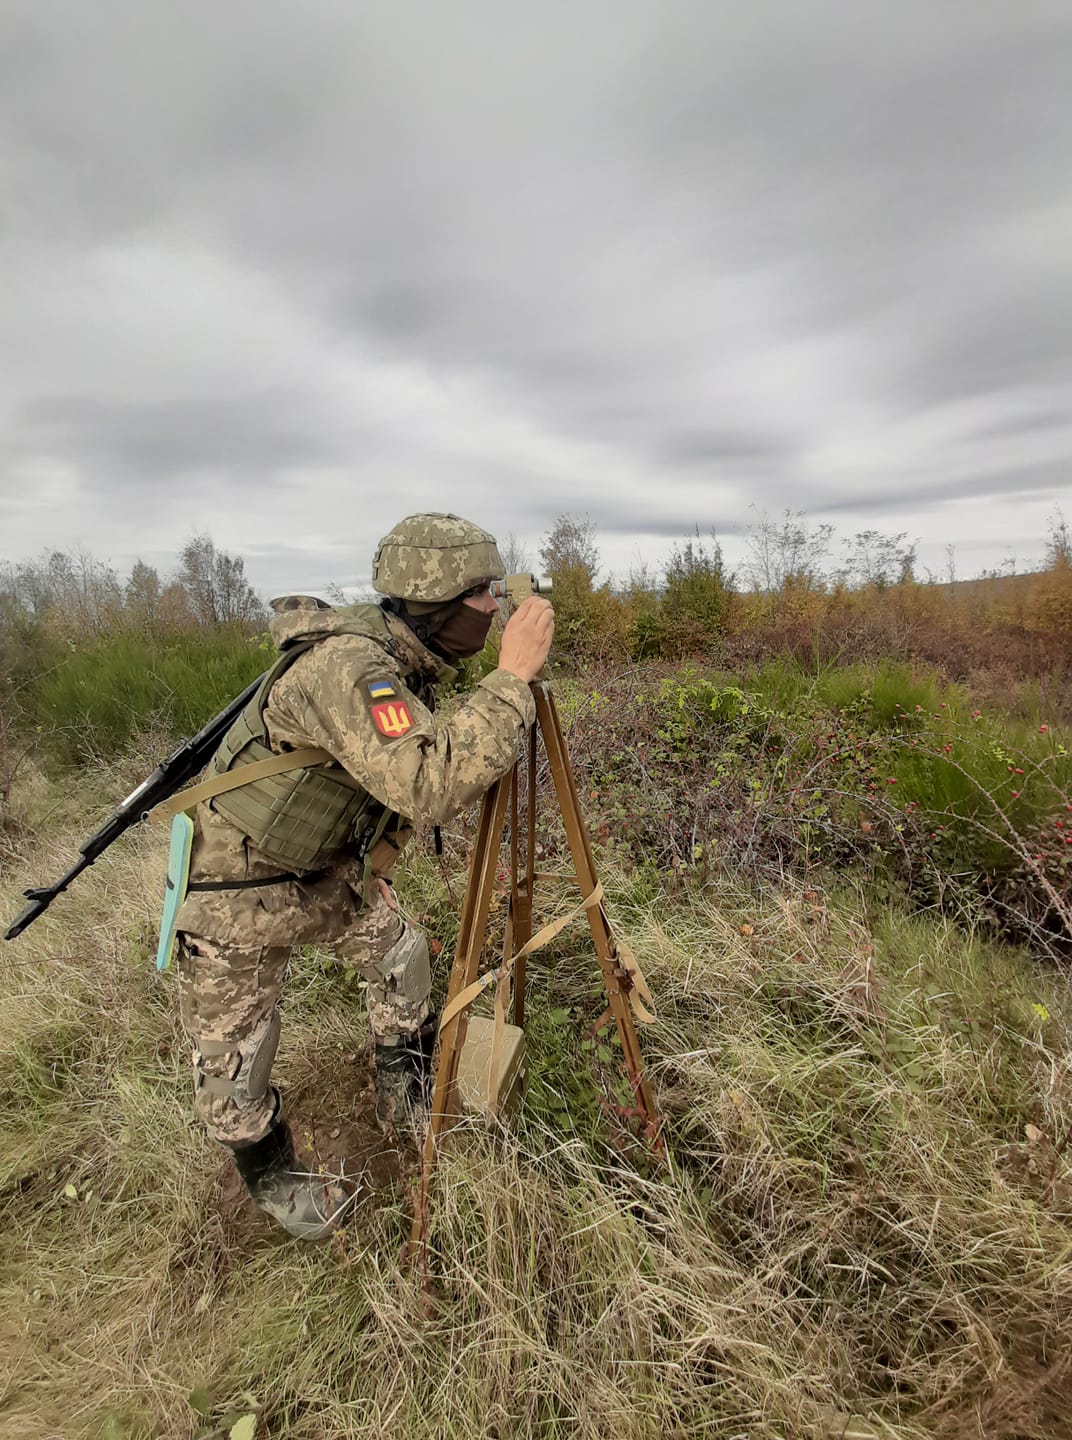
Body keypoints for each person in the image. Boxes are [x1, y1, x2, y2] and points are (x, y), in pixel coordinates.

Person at [172, 513, 554, 1239]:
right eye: (484, 595)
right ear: (438, 602)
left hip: (320, 869)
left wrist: (363, 864)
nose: (496, 608)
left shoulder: (405, 661)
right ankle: (273, 1176)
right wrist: (512, 678)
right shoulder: (348, 668)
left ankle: (402, 1092)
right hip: (236, 882)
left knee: (401, 957)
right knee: (234, 1063)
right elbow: (427, 782)